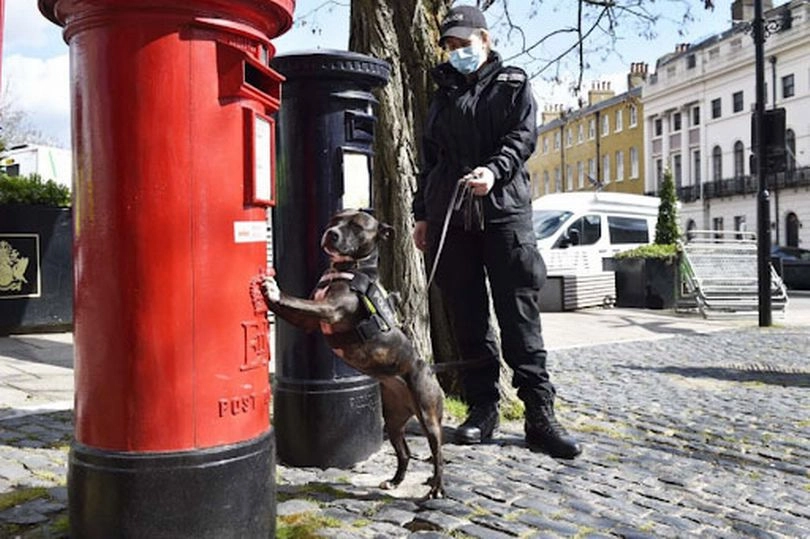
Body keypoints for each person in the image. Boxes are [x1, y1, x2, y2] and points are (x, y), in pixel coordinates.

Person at [412, 5, 581, 459]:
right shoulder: (441, 92)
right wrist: (422, 213)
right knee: (467, 317)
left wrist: (493, 171)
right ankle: (482, 410)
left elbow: (522, 139)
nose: (456, 52)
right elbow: (430, 160)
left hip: (503, 213)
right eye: (449, 46)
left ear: (485, 41)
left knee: (518, 316)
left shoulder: (513, 83)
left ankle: (539, 417)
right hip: (453, 215)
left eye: (463, 44)